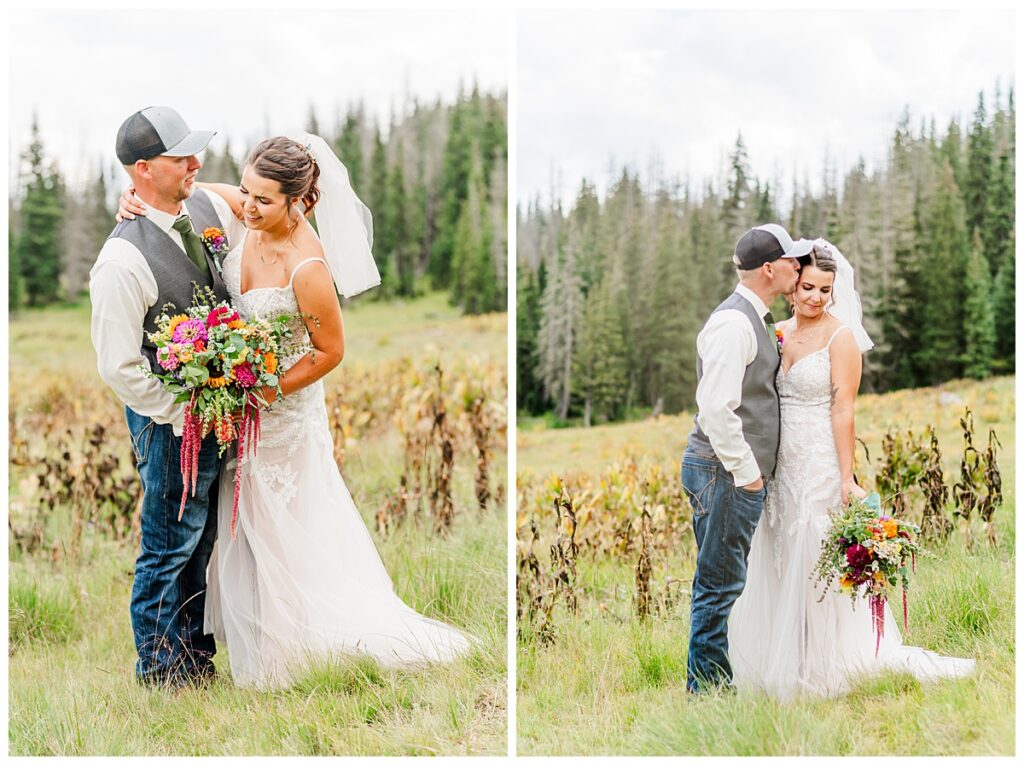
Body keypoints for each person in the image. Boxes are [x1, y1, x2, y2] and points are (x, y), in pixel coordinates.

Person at [119, 133, 474, 689]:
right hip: (240, 410)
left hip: (282, 415)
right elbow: (192, 193)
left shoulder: (308, 267)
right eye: (246, 194)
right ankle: (251, 645)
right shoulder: (249, 209)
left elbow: (330, 351)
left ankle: (295, 653)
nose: (248, 207)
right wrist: (135, 199)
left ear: (299, 202)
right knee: (237, 529)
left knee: (282, 528)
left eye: (263, 200)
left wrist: (262, 394)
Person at [728, 239, 975, 699]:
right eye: (807, 287)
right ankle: (783, 660)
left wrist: (847, 478)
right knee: (780, 552)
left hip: (820, 460)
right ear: (791, 288)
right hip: (779, 464)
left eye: (825, 289)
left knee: (814, 552)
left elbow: (843, 410)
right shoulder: (777, 332)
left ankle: (828, 663)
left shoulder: (842, 339)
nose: (816, 298)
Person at [91, 106, 245, 687]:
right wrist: (185, 412)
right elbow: (120, 366)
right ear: (142, 170)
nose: (196, 163)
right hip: (167, 425)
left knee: (201, 539)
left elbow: (264, 201)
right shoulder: (121, 260)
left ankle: (194, 660)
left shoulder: (202, 206)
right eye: (180, 156)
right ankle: (159, 673)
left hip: (214, 418)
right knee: (167, 545)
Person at [680, 223, 809, 693]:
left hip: (726, 472)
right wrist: (748, 474)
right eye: (792, 260)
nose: (798, 267)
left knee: (722, 582)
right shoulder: (735, 324)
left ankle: (713, 682)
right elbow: (716, 407)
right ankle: (709, 694)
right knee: (717, 586)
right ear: (771, 268)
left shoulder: (756, 318)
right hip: (723, 471)